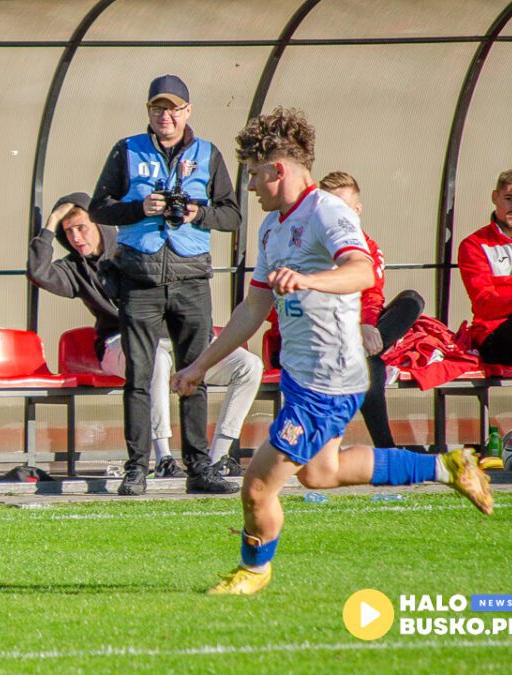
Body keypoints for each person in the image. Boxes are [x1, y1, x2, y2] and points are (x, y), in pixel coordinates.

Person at [171, 107, 493, 596]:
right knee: (323, 472)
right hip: (305, 374)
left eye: (255, 175)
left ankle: (253, 570)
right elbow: (253, 308)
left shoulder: (327, 211)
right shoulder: (273, 227)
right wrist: (199, 366)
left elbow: (362, 270)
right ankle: (447, 466)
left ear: (278, 169)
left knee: (257, 483)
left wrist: (308, 280)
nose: (251, 187)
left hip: (331, 377)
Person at [27, 192, 262, 479]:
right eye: (68, 231)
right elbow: (38, 272)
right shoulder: (73, 268)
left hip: (176, 338)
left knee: (248, 366)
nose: (76, 237)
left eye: (82, 227)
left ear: (100, 225)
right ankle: (163, 457)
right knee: (154, 359)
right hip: (121, 343)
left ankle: (217, 458)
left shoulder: (136, 249)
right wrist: (50, 223)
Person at [90, 74, 242, 496]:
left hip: (191, 278)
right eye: (158, 108)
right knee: (139, 376)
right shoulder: (126, 150)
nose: (166, 116)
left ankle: (199, 468)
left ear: (187, 112)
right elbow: (98, 208)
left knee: (194, 374)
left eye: (174, 108)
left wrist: (197, 213)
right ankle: (137, 468)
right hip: (139, 279)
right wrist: (141, 207)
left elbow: (232, 216)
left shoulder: (208, 154)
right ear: (149, 113)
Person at [262, 171, 425, 449]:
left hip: (355, 335)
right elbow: (273, 304)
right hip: (312, 340)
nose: (336, 214)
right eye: (330, 205)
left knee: (412, 300)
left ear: (357, 210)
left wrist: (365, 327)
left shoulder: (365, 246)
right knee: (367, 363)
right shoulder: (299, 239)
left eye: (344, 207)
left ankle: (362, 350)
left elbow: (372, 292)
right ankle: (386, 449)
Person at [457, 169, 512, 370]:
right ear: (495, 197)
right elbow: (484, 304)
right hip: (494, 336)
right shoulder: (474, 245)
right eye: (509, 199)